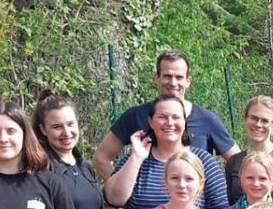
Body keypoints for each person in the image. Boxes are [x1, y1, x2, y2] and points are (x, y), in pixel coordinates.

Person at [103, 94, 229, 209]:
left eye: (176, 117)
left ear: (184, 122)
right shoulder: (134, 159)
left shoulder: (203, 161)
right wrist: (137, 157)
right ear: (151, 122)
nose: (169, 123)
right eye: (162, 117)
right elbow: (114, 199)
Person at [92, 50, 239, 180]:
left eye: (179, 77)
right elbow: (101, 157)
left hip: (192, 207)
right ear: (157, 78)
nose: (173, 83)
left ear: (188, 81)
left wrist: (227, 197)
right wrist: (121, 192)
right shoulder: (135, 116)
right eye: (167, 76)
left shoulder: (207, 120)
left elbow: (238, 162)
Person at [33, 91, 107, 209]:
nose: (66, 133)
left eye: (70, 124)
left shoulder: (85, 168)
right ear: (43, 130)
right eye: (57, 127)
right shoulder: (42, 171)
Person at [224, 96, 273, 206]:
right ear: (245, 119)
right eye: (254, 118)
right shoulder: (234, 162)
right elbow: (230, 203)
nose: (258, 124)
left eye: (265, 121)